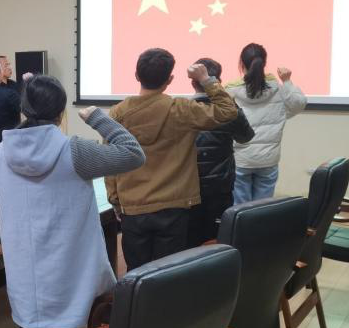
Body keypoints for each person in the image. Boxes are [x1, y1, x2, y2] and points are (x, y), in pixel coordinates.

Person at [0, 75, 144, 328]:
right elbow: (133, 154)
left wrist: (18, 245)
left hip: (24, 268)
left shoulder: (0, 153)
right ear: (61, 113)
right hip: (65, 268)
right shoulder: (74, 151)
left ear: (24, 108)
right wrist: (97, 117)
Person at [106, 48, 237, 271]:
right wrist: (207, 80)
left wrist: (115, 199)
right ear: (170, 79)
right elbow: (228, 111)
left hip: (133, 207)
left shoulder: (118, 114)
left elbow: (111, 161)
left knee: (136, 273)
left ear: (136, 75)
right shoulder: (182, 109)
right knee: (168, 273)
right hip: (175, 206)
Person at [187, 57, 254, 247]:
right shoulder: (229, 109)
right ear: (219, 80)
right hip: (220, 185)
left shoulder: (181, 108)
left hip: (189, 185)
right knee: (217, 238)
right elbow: (245, 136)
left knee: (190, 238)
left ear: (192, 82)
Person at [230, 42, 306, 203]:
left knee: (240, 209)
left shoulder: (230, 91)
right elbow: (298, 104)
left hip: (240, 160)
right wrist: (287, 81)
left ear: (242, 64)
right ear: (264, 63)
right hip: (268, 159)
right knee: (262, 209)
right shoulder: (278, 88)